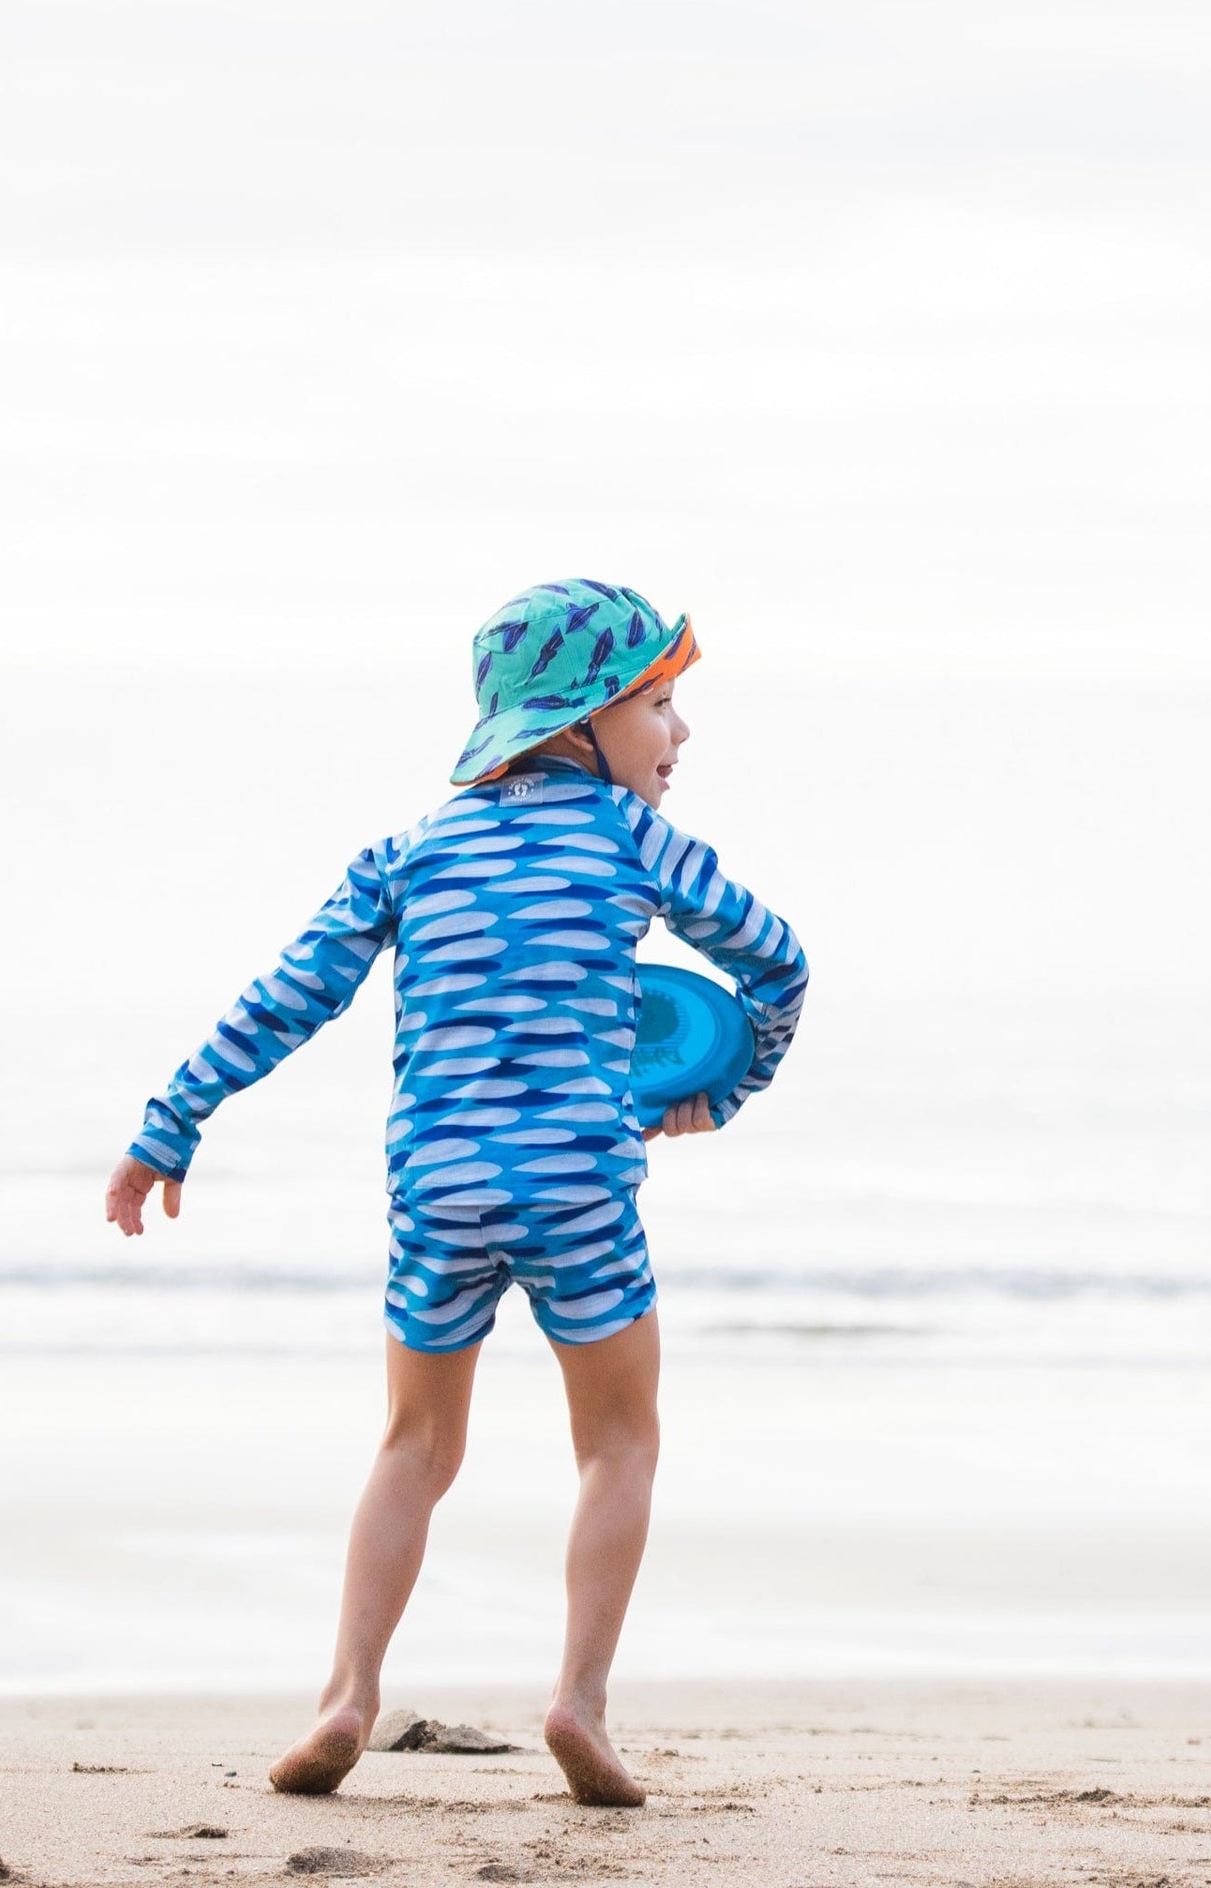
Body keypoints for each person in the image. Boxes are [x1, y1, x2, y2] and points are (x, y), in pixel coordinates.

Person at [103, 580, 807, 1804]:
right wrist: (722, 1083)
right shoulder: (631, 839)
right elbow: (780, 961)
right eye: (660, 703)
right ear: (580, 721)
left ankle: (347, 1696)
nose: (680, 734)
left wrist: (171, 1125)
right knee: (621, 1441)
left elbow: (287, 999)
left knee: (414, 1444)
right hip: (580, 1182)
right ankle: (579, 1703)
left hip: (437, 1185)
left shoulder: (412, 849)